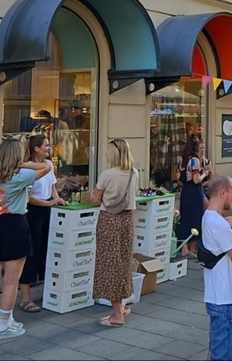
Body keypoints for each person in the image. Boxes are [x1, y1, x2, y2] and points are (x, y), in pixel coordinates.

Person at [0, 139, 53, 340]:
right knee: (11, 281)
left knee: (7, 276)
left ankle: (9, 319)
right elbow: (46, 167)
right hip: (15, 225)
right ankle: (3, 326)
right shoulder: (19, 176)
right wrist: (22, 164)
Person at [90, 138, 139, 327]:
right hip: (127, 220)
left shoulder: (107, 174)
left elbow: (96, 200)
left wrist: (95, 196)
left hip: (109, 220)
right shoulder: (134, 173)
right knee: (123, 262)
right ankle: (122, 305)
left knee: (109, 265)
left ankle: (117, 314)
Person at [18, 135, 66, 313]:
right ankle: (25, 298)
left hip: (47, 210)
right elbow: (27, 197)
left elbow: (52, 185)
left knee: (47, 250)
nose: (49, 147)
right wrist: (48, 203)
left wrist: (57, 199)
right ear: (36, 148)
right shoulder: (27, 169)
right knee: (31, 253)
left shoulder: (48, 164)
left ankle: (47, 291)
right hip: (33, 212)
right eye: (46, 145)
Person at [202, 176, 232, 361]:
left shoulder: (208, 217)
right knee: (224, 353)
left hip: (215, 293)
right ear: (223, 193)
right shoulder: (219, 224)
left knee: (216, 346)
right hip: (225, 296)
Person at [176, 137, 209, 256]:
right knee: (195, 218)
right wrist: (205, 173)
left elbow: (178, 177)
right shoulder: (194, 161)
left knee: (185, 218)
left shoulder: (181, 160)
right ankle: (192, 248)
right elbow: (196, 180)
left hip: (185, 191)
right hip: (195, 191)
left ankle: (184, 247)